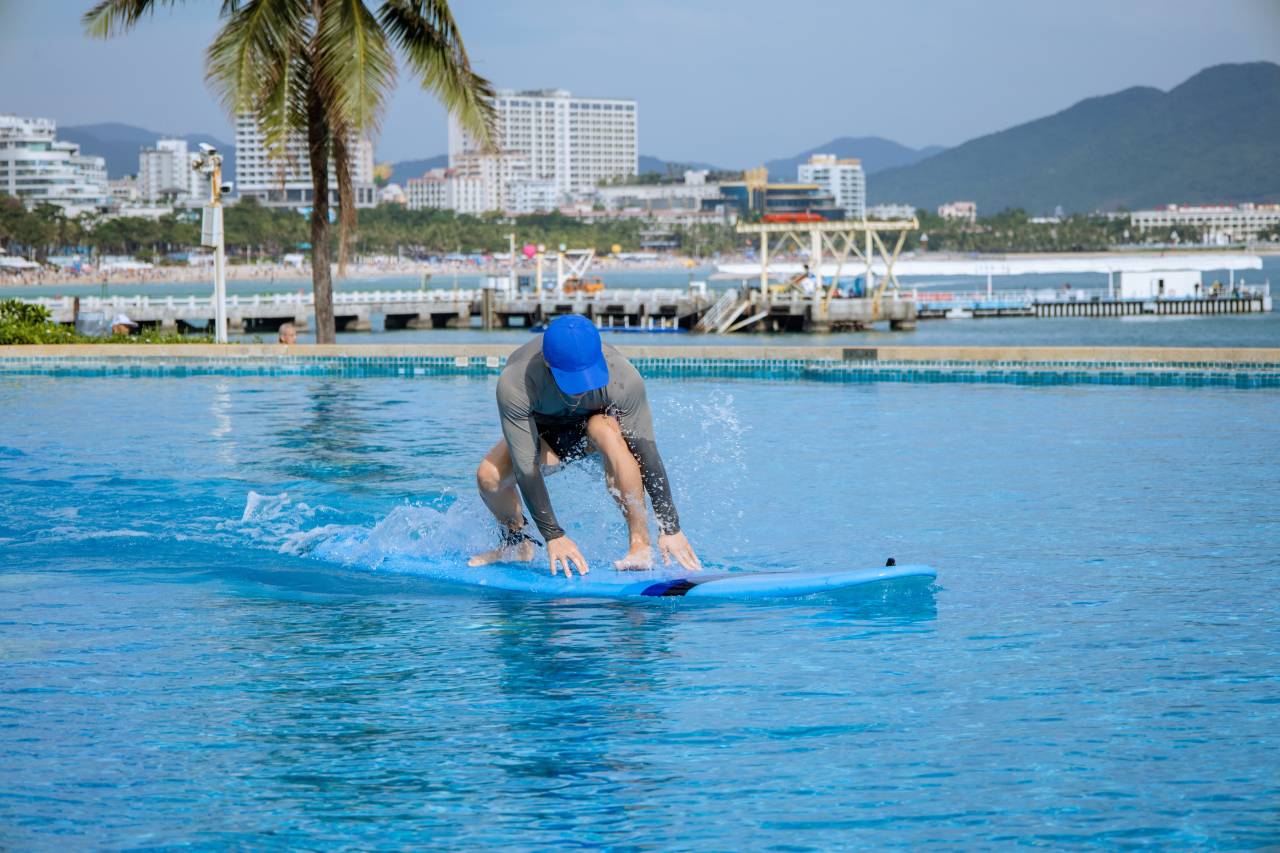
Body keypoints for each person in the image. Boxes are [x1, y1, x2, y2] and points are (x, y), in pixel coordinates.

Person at [471, 314, 701, 577]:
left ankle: (640, 545)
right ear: (547, 362)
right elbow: (526, 468)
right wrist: (553, 535)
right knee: (488, 477)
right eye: (572, 378)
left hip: (596, 430)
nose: (580, 389)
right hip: (544, 435)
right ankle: (518, 543)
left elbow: (645, 451)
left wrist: (670, 527)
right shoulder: (516, 383)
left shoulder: (622, 376)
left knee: (604, 429)